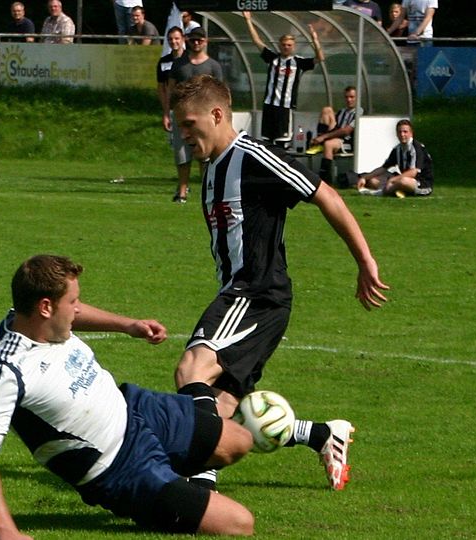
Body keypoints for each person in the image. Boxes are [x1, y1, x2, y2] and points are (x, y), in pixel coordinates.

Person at [169, 75, 389, 491]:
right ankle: (320, 436)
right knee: (222, 405)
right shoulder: (213, 168)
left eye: (189, 124)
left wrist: (365, 260)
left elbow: (327, 195)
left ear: (217, 115)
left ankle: (196, 484)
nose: (184, 134)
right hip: (249, 296)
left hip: (254, 294)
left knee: (192, 368)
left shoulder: (253, 156)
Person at [0, 254, 257, 537]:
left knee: (239, 441)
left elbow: (70, 314)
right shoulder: (5, 372)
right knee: (239, 523)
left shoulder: (26, 317)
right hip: (119, 466)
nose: (77, 309)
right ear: (45, 307)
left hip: (133, 409)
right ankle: (165, 495)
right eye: (73, 301)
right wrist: (7, 532)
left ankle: (177, 484)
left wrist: (128, 325)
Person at [242, 11, 324, 146]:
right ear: (280, 45)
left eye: (289, 45)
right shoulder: (273, 59)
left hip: (285, 107)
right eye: (284, 44)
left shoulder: (299, 62)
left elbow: (320, 58)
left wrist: (315, 40)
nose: (286, 47)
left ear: (293, 46)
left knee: (282, 143)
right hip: (269, 105)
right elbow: (257, 41)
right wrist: (248, 20)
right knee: (267, 142)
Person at [162, 27, 223, 203]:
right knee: (182, 154)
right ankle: (182, 191)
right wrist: (167, 113)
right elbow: (170, 90)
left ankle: (207, 190)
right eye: (193, 40)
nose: (196, 43)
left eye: (200, 40)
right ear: (188, 41)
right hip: (181, 116)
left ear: (205, 41)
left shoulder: (213, 66)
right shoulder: (179, 64)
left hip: (204, 117)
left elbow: (220, 92)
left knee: (204, 154)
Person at [356, 119, 433, 197]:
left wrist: (393, 180)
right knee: (373, 181)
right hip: (403, 179)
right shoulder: (397, 149)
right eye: (400, 132)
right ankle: (395, 190)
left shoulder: (416, 148)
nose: (402, 134)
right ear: (396, 134)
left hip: (422, 184)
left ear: (411, 133)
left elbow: (413, 172)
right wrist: (364, 178)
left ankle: (382, 192)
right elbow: (384, 168)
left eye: (405, 132)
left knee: (403, 181)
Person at [308, 86, 360, 184]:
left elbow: (346, 131)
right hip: (336, 138)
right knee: (327, 110)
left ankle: (325, 180)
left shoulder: (359, 112)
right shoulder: (342, 112)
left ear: (357, 97)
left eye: (352, 97)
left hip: (348, 141)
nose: (349, 100)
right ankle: (319, 142)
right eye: (347, 97)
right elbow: (335, 128)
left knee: (328, 144)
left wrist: (323, 137)